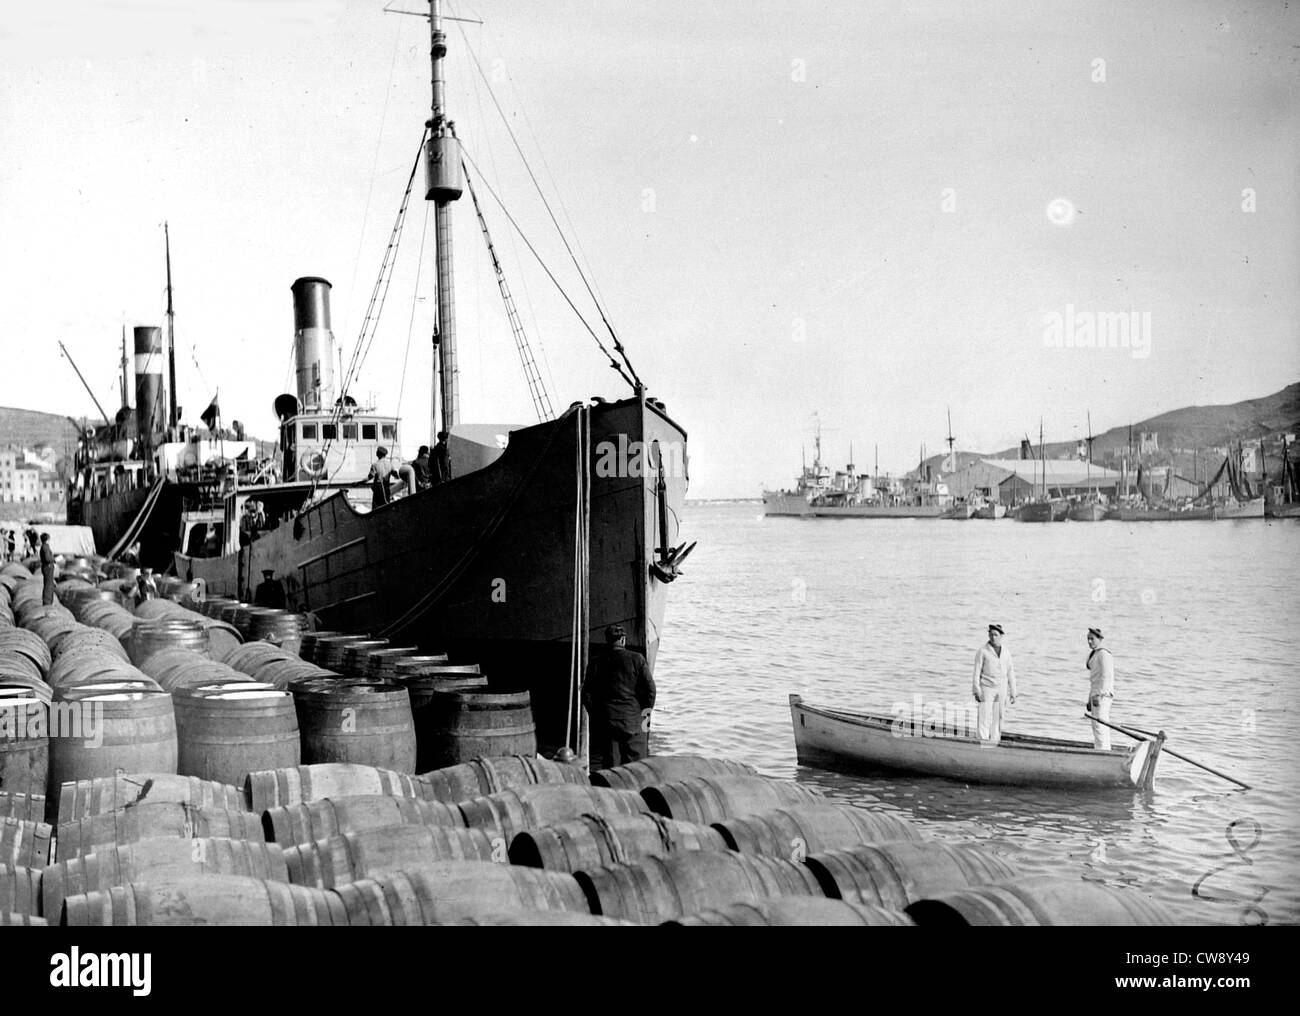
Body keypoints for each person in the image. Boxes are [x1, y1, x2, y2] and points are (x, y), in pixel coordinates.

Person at [582, 623, 656, 770]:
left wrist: (597, 714)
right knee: (636, 768)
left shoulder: (596, 661)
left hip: (607, 722)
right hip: (633, 721)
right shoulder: (637, 659)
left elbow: (586, 693)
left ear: (607, 640)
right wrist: (644, 714)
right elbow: (651, 691)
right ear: (623, 640)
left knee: (611, 767)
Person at [971, 622, 1017, 743]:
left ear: (1001, 636)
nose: (993, 637)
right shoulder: (983, 651)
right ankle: (982, 739)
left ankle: (995, 740)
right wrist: (977, 690)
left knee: (999, 715)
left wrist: (1013, 691)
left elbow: (1010, 671)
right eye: (991, 634)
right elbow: (976, 671)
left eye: (996, 635)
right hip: (987, 687)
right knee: (984, 715)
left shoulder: (1006, 652)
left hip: (1001, 687)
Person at [1085, 627, 1115, 750]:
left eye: (1092, 639)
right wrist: (1089, 699)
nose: (1090, 642)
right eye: (1088, 639)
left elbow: (1106, 676)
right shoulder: (1094, 654)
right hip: (1096, 695)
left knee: (1100, 725)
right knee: (1097, 726)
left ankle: (1103, 751)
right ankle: (1102, 749)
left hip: (1102, 696)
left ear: (1100, 639)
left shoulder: (1103, 654)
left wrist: (1099, 695)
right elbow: (1094, 680)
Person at [39, 533, 56, 606]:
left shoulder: (44, 547)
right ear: (47, 539)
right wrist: (54, 559)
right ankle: (47, 602)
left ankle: (48, 601)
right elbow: (47, 558)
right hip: (48, 567)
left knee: (49, 584)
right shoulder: (45, 547)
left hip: (47, 567)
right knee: (48, 585)